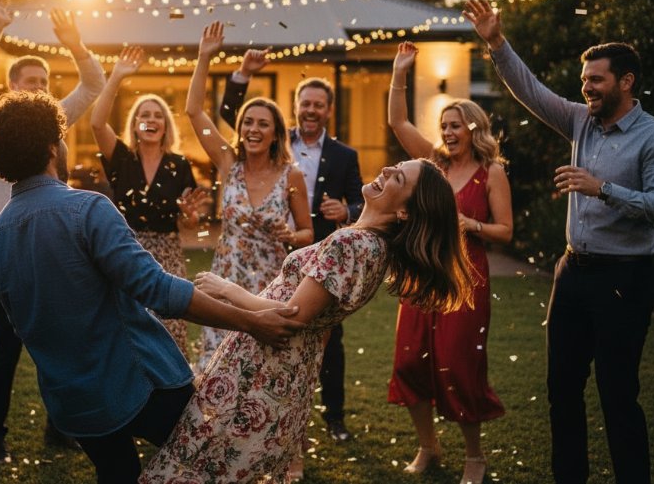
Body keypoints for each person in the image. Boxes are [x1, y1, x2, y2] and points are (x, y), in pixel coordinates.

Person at [0, 90, 307, 484]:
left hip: (72, 403)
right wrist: (251, 321)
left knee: (118, 473)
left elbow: (23, 325)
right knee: (212, 465)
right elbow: (161, 292)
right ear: (52, 147)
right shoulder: (88, 209)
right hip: (141, 386)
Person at [139, 159, 474, 483]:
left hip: (263, 370)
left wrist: (227, 290)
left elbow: (290, 317)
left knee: (204, 462)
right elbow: (317, 322)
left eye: (398, 178)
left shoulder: (352, 244)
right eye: (396, 166)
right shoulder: (374, 247)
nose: (387, 170)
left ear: (405, 212)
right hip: (287, 371)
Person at [463, 0, 654, 484]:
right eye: (584, 81)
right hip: (572, 274)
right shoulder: (580, 121)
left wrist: (601, 188)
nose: (586, 88)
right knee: (561, 390)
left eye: (596, 80)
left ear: (626, 82)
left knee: (617, 393)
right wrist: (496, 43)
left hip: (623, 279)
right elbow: (532, 91)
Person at [0, 0, 107, 462]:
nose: (42, 89)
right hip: (4, 236)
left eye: (46, 83)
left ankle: (60, 427)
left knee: (62, 331)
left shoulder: (53, 120)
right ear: (11, 85)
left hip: (54, 234)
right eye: (33, 82)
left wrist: (75, 45)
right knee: (7, 341)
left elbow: (93, 84)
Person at [219, 48, 365, 442]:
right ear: (296, 108)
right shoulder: (272, 141)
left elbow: (361, 199)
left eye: (318, 104)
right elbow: (230, 118)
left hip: (326, 257)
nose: (311, 110)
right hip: (279, 257)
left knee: (329, 339)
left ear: (329, 110)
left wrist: (346, 209)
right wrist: (241, 75)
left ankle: (333, 416)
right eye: (305, 104)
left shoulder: (345, 155)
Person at [385, 41, 513, 483]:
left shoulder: (491, 172)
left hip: (467, 279)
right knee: (409, 362)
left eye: (456, 125)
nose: (449, 132)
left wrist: (469, 224)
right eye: (445, 125)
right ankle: (428, 446)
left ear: (474, 128)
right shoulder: (432, 165)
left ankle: (474, 457)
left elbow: (506, 232)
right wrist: (400, 71)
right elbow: (398, 121)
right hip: (422, 276)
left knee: (460, 367)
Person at [188, 22, 314, 371]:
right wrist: (204, 58)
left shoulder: (292, 176)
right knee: (216, 367)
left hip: (269, 285)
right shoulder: (230, 164)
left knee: (261, 368)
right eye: (248, 123)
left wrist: (291, 236)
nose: (253, 130)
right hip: (225, 277)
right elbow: (194, 112)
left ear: (275, 134)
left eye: (262, 124)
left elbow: (307, 233)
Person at [90, 45, 209, 358]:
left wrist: (189, 217)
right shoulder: (122, 159)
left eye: (158, 115)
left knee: (171, 328)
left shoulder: (180, 165)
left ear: (166, 126)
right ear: (135, 124)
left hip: (168, 251)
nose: (152, 119)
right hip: (127, 248)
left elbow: (189, 225)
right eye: (145, 115)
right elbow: (97, 124)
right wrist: (115, 78)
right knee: (130, 328)